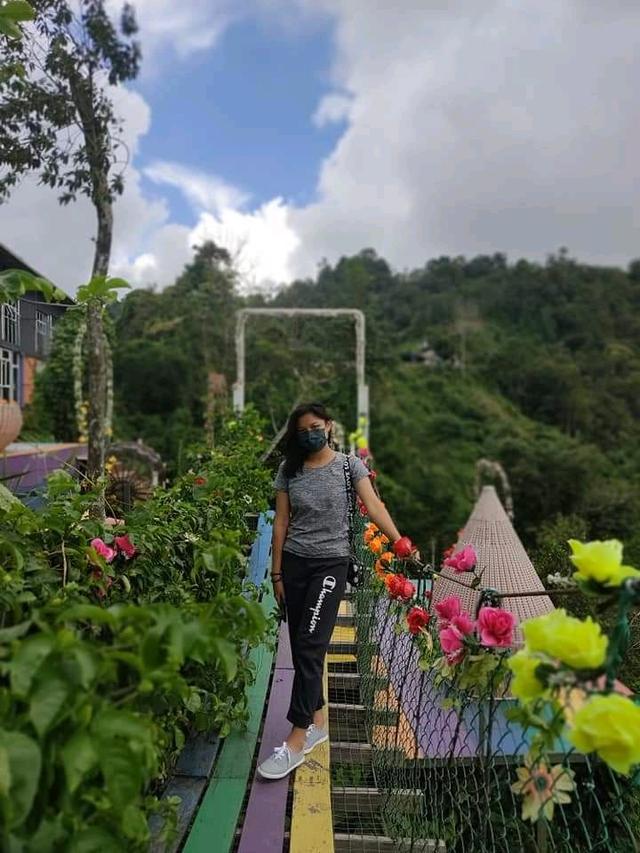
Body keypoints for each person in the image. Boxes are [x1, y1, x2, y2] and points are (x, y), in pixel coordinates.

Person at [257, 402, 417, 780]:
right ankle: (318, 721)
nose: (310, 434)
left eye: (316, 426)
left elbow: (373, 505)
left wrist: (400, 543)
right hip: (294, 565)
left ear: (328, 426)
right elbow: (281, 523)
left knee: (311, 646)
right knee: (302, 645)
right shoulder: (289, 470)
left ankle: (297, 739)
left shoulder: (349, 466)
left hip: (330, 566)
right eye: (302, 431)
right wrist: (276, 574)